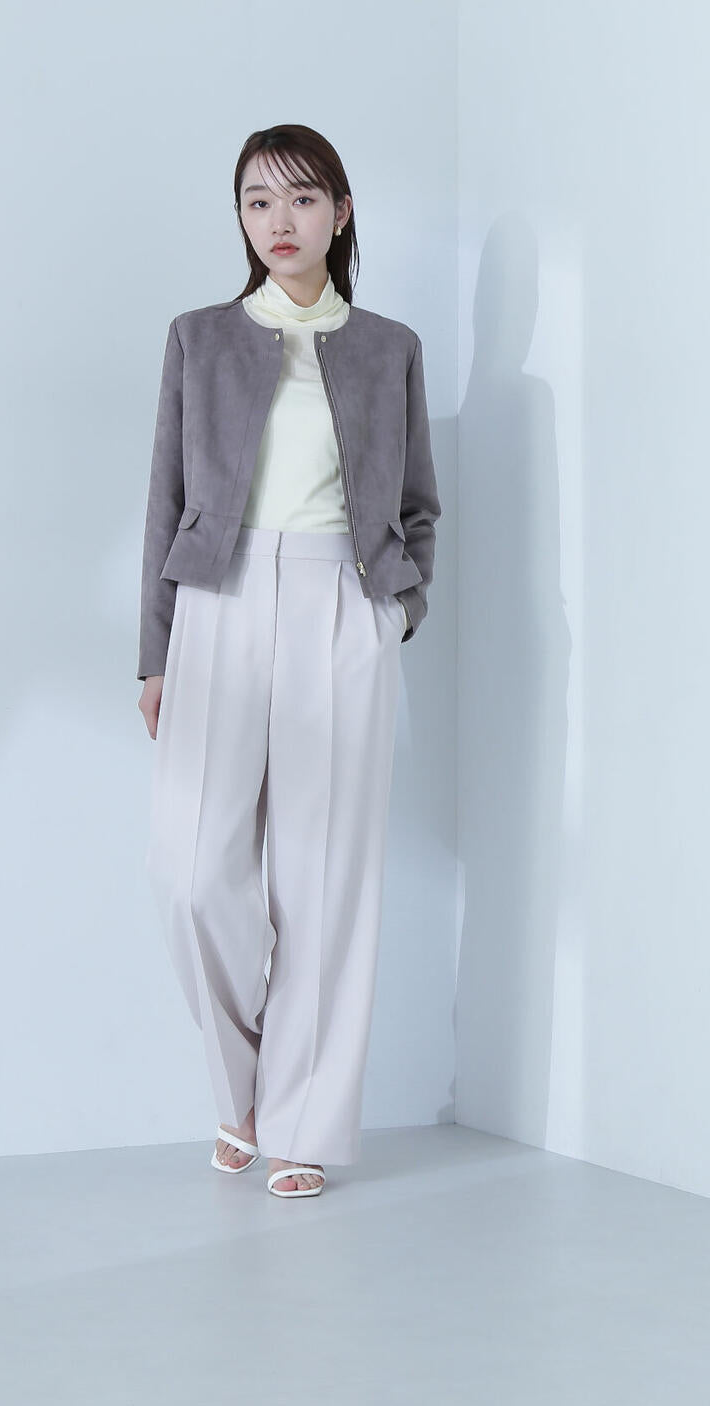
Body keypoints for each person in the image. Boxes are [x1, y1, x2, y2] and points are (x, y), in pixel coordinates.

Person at [137, 124, 442, 1200]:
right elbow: (165, 502)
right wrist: (155, 653)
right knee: (190, 874)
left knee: (323, 877)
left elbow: (417, 504)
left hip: (343, 606)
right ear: (239, 216)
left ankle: (302, 1123)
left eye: (303, 199)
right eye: (258, 200)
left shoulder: (388, 348)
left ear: (340, 214)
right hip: (215, 604)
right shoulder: (199, 339)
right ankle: (242, 1090)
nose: (280, 220)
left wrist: (395, 612)